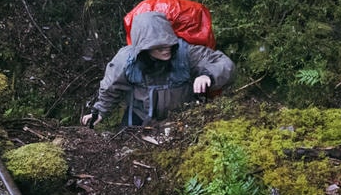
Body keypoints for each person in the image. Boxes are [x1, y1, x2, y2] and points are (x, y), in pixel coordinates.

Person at [81, 11, 234, 127]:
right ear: (143, 48)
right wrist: (99, 112)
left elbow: (223, 63)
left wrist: (208, 76)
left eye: (168, 43)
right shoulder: (127, 60)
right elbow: (111, 88)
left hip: (182, 120)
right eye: (158, 47)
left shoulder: (185, 53)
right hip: (140, 118)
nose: (166, 49)